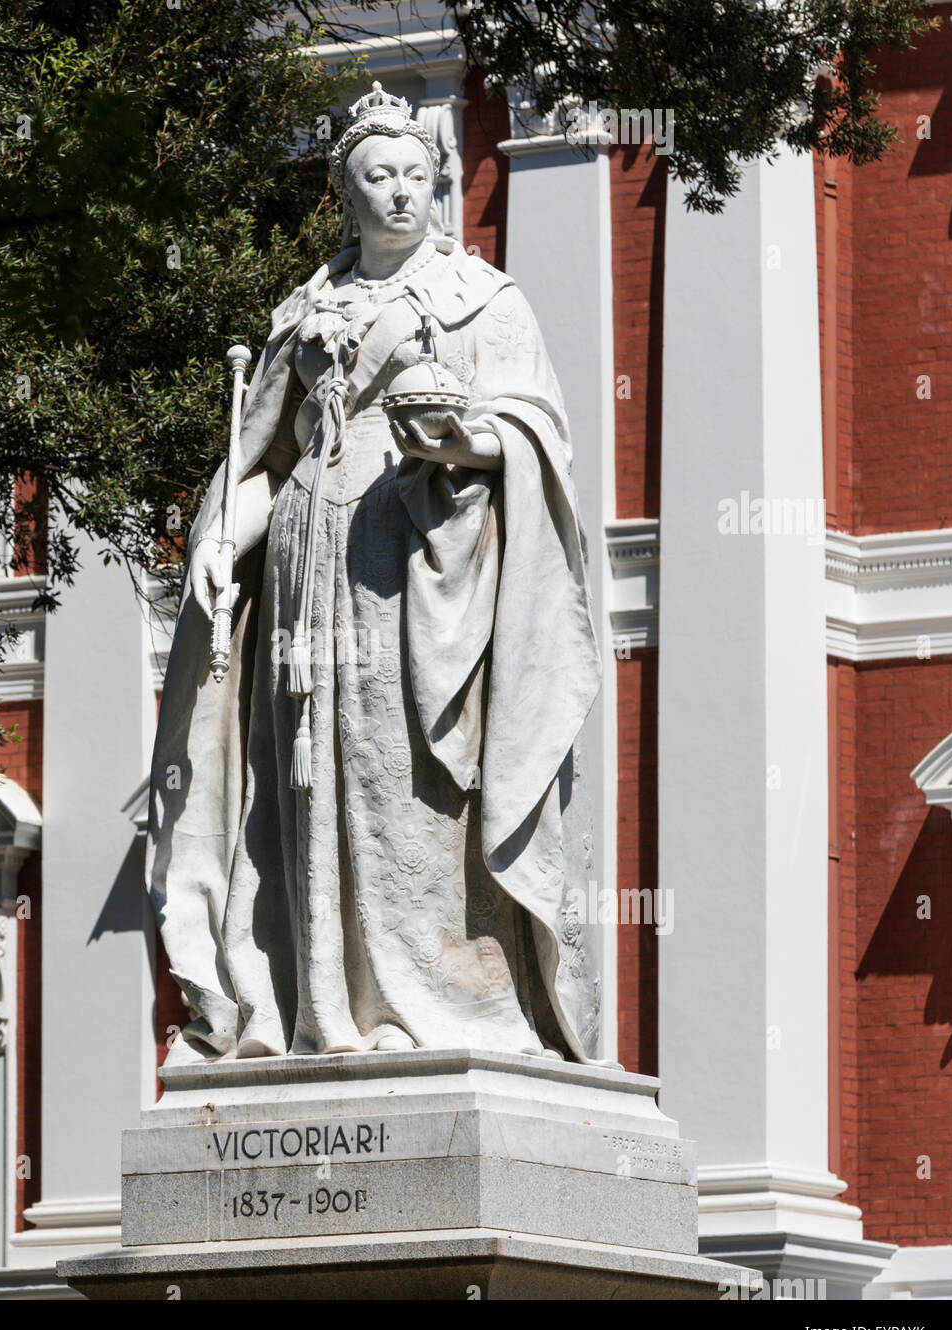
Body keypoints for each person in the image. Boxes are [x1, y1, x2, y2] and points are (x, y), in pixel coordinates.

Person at [148, 82, 606, 1064]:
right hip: (309, 568)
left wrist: (465, 442)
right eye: (376, 178)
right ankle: (326, 1006)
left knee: (415, 784)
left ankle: (437, 1007)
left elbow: (536, 437)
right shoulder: (303, 314)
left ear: (438, 183)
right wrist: (220, 542)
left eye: (414, 175)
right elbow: (261, 459)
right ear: (343, 193)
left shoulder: (482, 299)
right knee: (309, 781)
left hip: (424, 560)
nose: (400, 193)